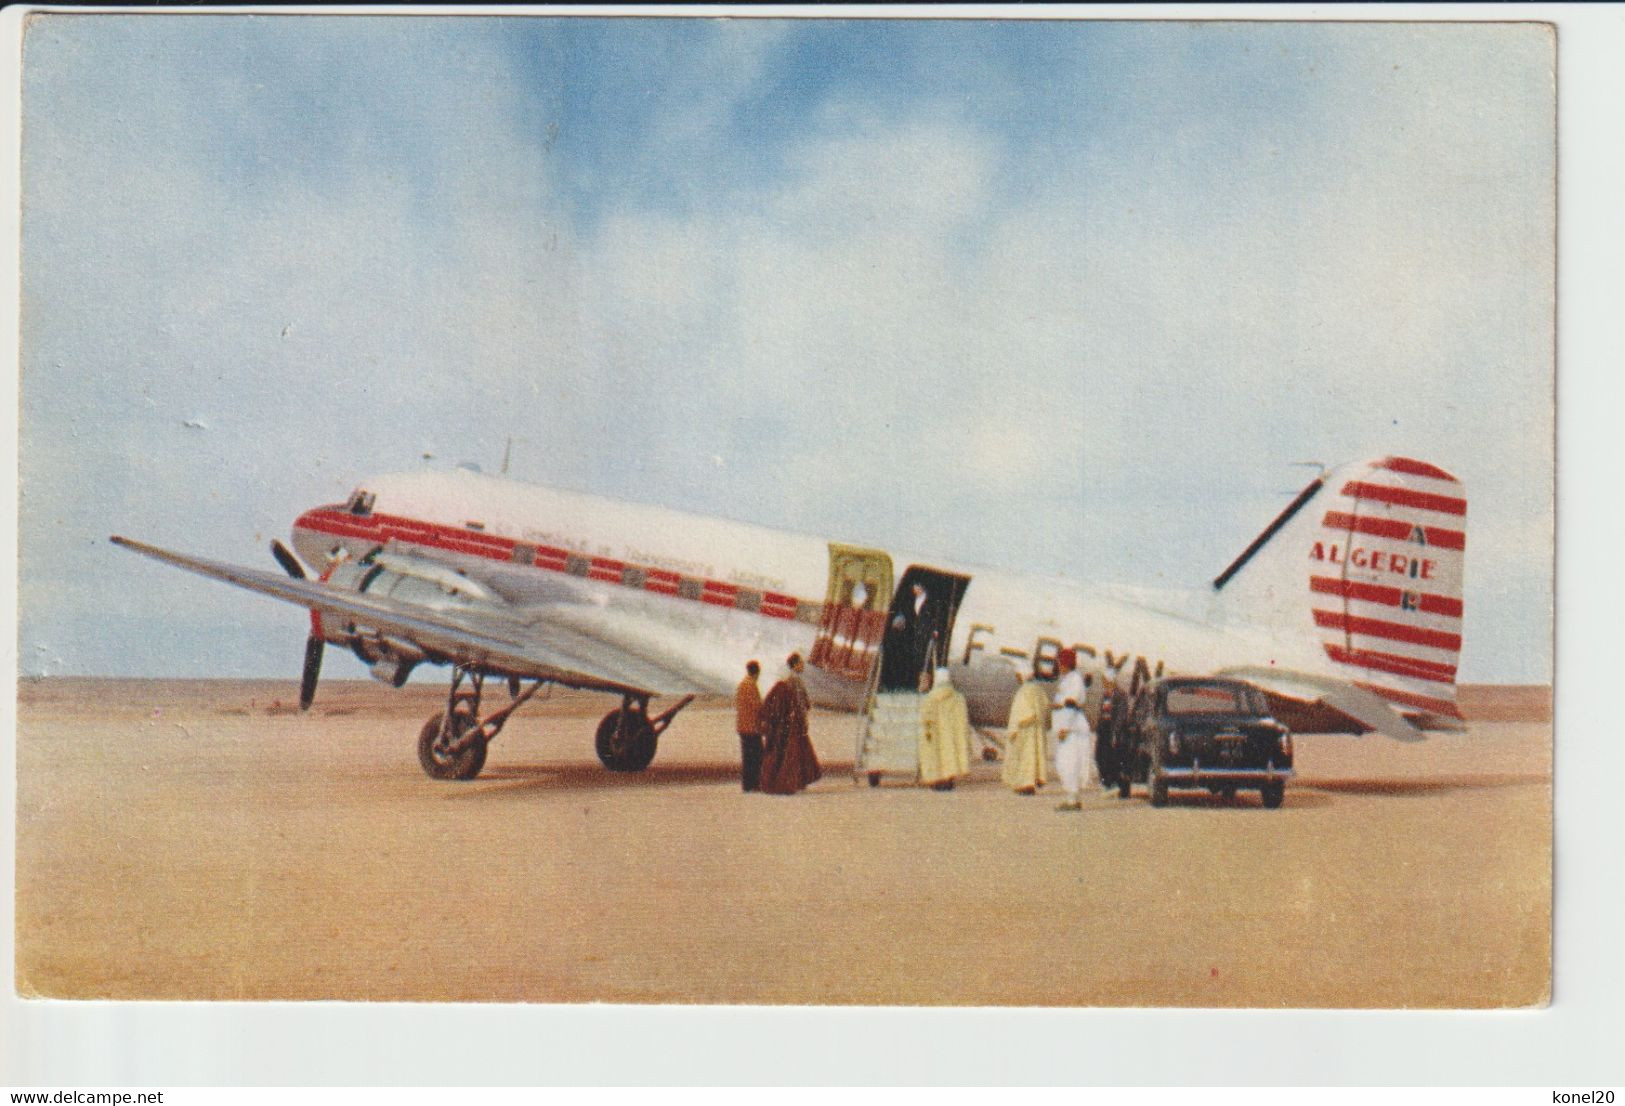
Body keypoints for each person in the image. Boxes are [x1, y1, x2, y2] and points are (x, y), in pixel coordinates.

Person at [758, 653, 822, 795]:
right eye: (800, 663)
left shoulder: (791, 680)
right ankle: (793, 781)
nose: (802, 666)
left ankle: (797, 781)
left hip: (793, 722)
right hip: (795, 723)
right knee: (795, 752)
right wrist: (802, 719)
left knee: (796, 752)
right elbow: (799, 703)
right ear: (795, 665)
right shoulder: (794, 681)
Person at [1051, 649, 1094, 811]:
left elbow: (1071, 705)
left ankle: (1072, 800)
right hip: (1068, 728)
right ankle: (1071, 797)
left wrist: (1065, 728)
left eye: (1060, 662)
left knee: (1070, 763)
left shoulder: (1074, 680)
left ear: (1066, 664)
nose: (1058, 665)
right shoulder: (1068, 679)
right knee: (1064, 763)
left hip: (1072, 729)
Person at [918, 666, 972, 791]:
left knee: (934, 755)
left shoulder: (930, 698)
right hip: (951, 734)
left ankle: (936, 780)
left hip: (934, 733)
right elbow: (963, 718)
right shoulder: (958, 698)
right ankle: (948, 779)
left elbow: (925, 717)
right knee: (950, 755)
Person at [1003, 665, 1049, 794]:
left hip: (1025, 731)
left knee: (1025, 758)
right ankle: (1032, 782)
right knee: (1034, 757)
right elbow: (1045, 705)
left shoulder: (1023, 691)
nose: (1017, 677)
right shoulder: (1039, 690)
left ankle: (1026, 785)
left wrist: (1013, 729)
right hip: (1037, 730)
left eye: (1018, 674)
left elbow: (1021, 713)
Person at [735, 660, 764, 792]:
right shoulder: (751, 685)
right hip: (751, 727)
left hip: (742, 726)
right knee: (756, 757)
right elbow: (757, 706)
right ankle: (754, 784)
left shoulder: (741, 685)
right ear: (757, 672)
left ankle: (747, 785)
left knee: (747, 757)